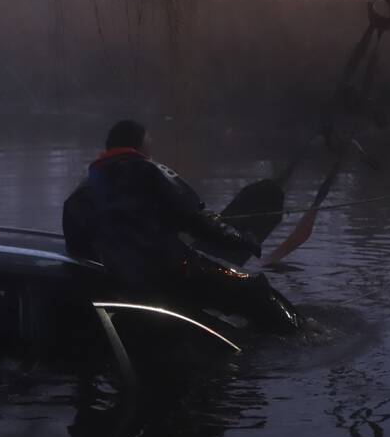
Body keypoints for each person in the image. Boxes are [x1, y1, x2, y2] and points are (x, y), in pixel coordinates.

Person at [63, 120, 300, 333]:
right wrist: (243, 239)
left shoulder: (80, 194)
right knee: (254, 288)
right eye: (149, 143)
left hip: (121, 281)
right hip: (171, 272)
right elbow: (196, 221)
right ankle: (305, 335)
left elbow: (77, 250)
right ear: (138, 146)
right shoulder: (153, 172)